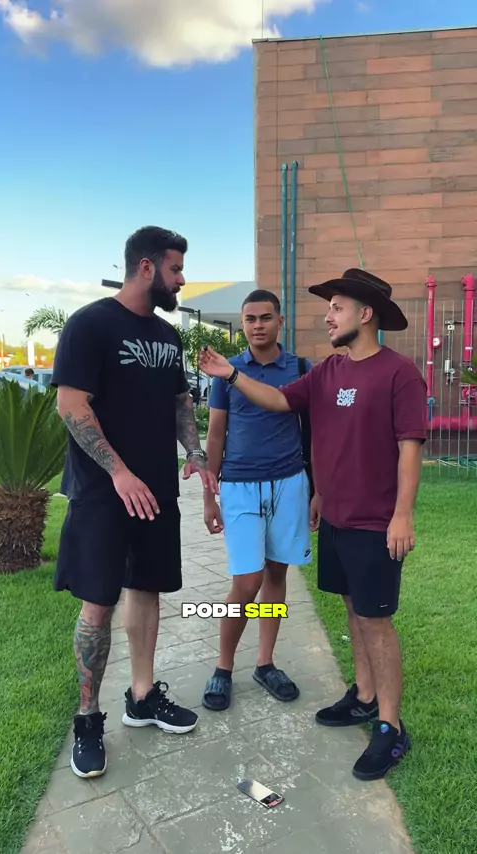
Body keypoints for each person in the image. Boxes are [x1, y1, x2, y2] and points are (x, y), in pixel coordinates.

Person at [198, 269, 427, 781]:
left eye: (337, 308)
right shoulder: (327, 372)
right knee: (352, 609)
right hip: (337, 517)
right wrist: (230, 375)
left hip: (375, 521)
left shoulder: (399, 373)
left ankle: (391, 727)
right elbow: (280, 400)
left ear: (365, 314)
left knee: (376, 621)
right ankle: (363, 696)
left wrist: (403, 513)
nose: (328, 316)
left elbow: (410, 448)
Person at [51, 226, 218, 779]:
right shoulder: (90, 324)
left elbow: (179, 402)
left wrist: (195, 452)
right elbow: (71, 405)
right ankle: (87, 717)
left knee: (148, 589)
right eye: (176, 269)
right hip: (104, 493)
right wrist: (119, 472)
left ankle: (142, 697)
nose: (182, 280)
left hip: (157, 489)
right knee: (98, 603)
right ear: (146, 267)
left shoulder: (167, 336)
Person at [201, 289, 313, 711]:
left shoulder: (300, 368)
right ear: (243, 323)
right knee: (246, 582)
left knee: (276, 576)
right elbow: (215, 436)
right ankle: (223, 666)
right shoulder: (225, 371)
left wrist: (317, 490)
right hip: (239, 485)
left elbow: (313, 434)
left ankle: (265, 663)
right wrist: (209, 496)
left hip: (288, 483)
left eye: (266, 317)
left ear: (280, 321)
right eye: (250, 319)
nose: (258, 325)